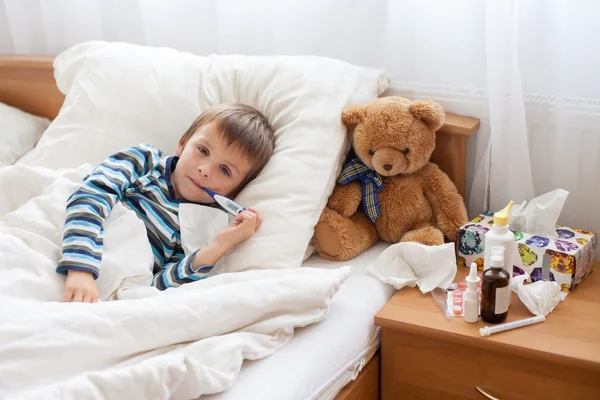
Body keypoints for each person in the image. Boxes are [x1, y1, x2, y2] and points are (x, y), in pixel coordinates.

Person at [57, 103, 275, 302]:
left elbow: (157, 287)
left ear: (235, 191)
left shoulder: (201, 227)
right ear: (182, 144)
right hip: (72, 248)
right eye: (202, 151)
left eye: (225, 170)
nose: (205, 170)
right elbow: (91, 196)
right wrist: (81, 268)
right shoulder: (145, 161)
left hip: (109, 285)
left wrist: (219, 246)